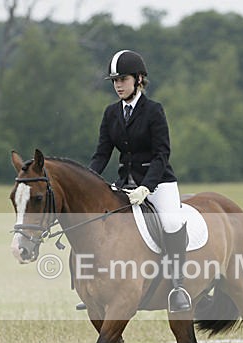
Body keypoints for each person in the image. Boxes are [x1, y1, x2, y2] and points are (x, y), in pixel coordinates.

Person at [88, 49, 191, 313]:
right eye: (114, 80)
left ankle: (178, 286)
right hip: (125, 184)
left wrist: (147, 186)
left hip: (158, 182)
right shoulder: (111, 113)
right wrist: (89, 182)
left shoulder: (154, 110)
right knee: (102, 224)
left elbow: (162, 153)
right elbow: (102, 154)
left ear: (138, 79)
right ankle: (98, 288)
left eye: (122, 79)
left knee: (170, 221)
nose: (118, 85)